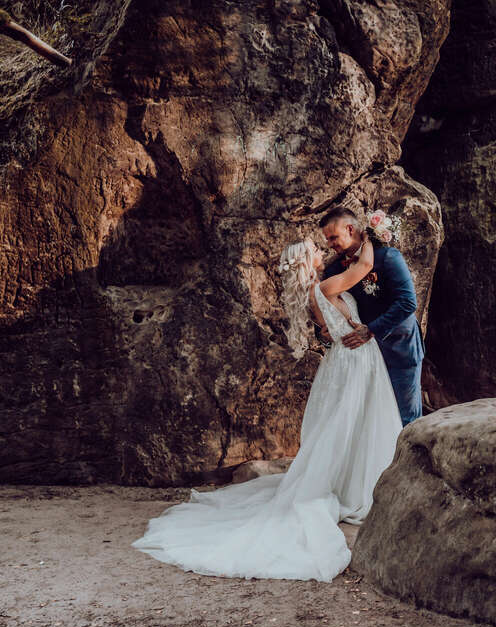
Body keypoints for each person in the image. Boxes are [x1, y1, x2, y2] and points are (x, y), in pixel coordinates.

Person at [131, 232, 403, 582]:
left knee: (347, 426)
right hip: (352, 361)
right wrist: (370, 235)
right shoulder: (324, 288)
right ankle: (357, 488)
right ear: (307, 262)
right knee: (348, 426)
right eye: (314, 250)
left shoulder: (315, 292)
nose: (321, 251)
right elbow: (366, 265)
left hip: (345, 361)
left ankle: (352, 483)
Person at [320, 207, 424, 426]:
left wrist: (371, 330)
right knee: (371, 423)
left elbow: (407, 303)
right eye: (327, 240)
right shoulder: (333, 272)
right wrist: (325, 330)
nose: (330, 244)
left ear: (350, 229)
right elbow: (331, 309)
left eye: (333, 237)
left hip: (399, 348)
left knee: (406, 418)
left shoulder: (388, 257)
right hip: (361, 358)